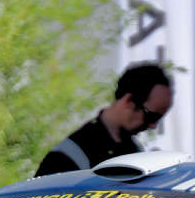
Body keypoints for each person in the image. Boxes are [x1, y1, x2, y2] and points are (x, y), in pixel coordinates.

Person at [34, 63, 172, 176]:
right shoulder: (67, 156)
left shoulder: (133, 151)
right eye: (151, 116)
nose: (154, 125)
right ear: (128, 101)